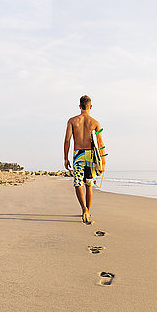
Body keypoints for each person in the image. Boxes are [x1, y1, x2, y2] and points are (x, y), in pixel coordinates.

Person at [64, 95, 106, 224]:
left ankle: (84, 208)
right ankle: (88, 210)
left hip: (78, 154)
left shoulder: (72, 121)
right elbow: (100, 144)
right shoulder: (95, 123)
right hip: (91, 155)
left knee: (78, 183)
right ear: (91, 107)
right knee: (89, 184)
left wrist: (66, 158)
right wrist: (103, 163)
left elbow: (67, 140)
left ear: (79, 106)